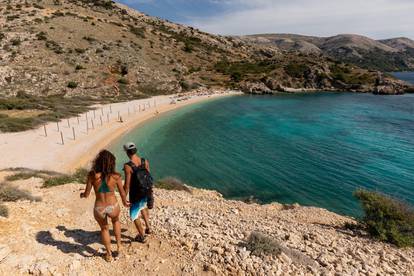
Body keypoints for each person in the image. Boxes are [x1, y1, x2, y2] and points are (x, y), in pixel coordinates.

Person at [80, 150, 129, 262]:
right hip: (113, 205)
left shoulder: (92, 175)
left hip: (100, 208)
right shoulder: (116, 176)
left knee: (104, 229)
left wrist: (82, 195)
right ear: (112, 163)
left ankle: (109, 254)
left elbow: (87, 194)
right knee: (116, 222)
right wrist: (125, 202)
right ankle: (119, 247)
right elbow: (122, 192)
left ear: (98, 162)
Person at [123, 142, 153, 243]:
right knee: (143, 206)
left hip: (135, 194)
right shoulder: (145, 161)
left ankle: (142, 236)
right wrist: (150, 191)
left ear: (127, 152)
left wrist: (123, 198)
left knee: (134, 215)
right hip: (146, 191)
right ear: (136, 150)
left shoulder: (128, 166)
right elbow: (149, 177)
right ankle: (148, 228)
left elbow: (126, 185)